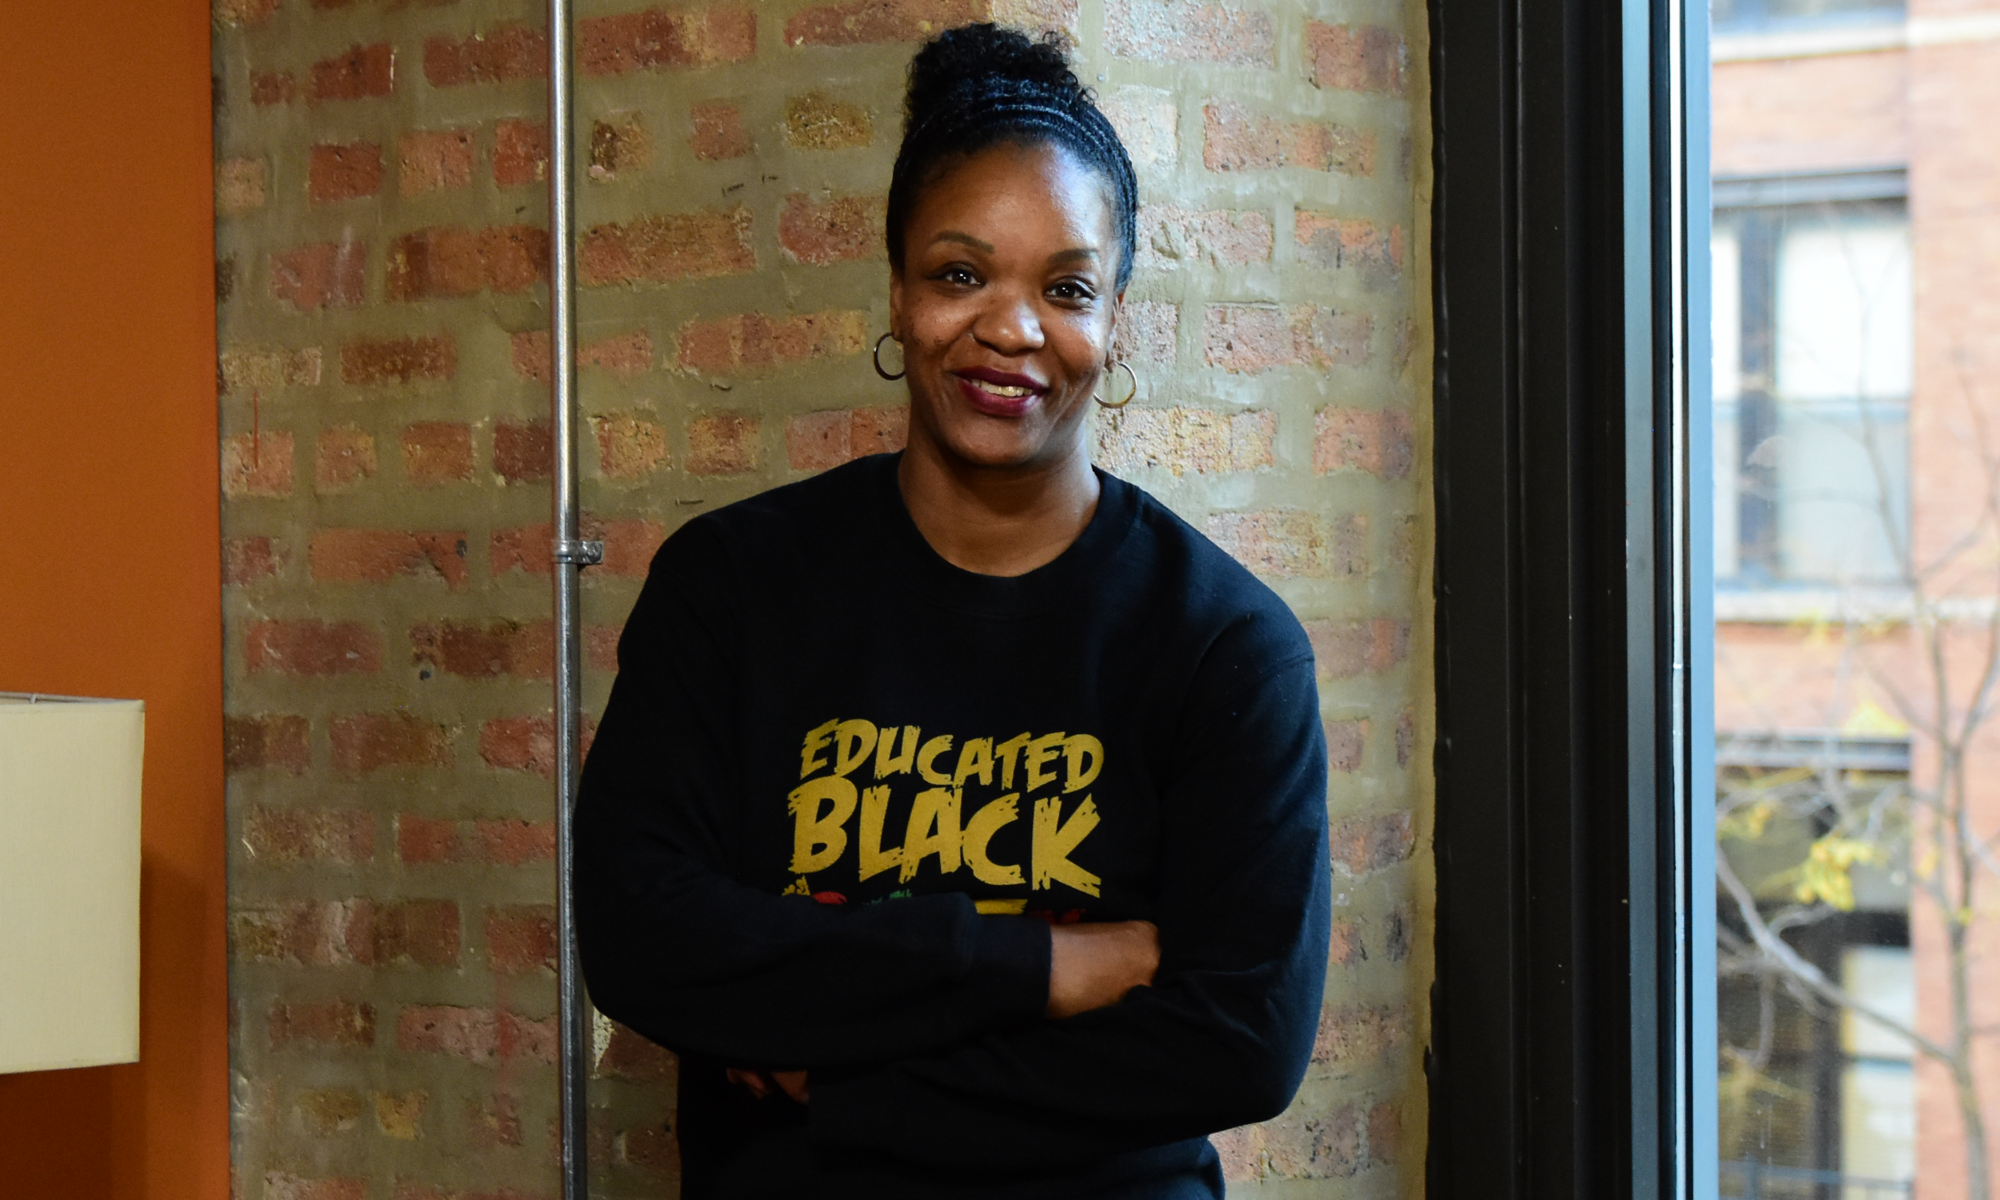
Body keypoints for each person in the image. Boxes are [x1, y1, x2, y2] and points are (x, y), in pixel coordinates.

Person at [575, 23, 1332, 1198]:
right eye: (960, 273)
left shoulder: (1221, 645)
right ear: (896, 289)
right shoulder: (731, 586)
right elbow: (643, 937)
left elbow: (1238, 1042)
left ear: (1115, 318)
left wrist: (843, 1081)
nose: (1012, 329)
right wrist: (1036, 967)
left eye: (1067, 286)